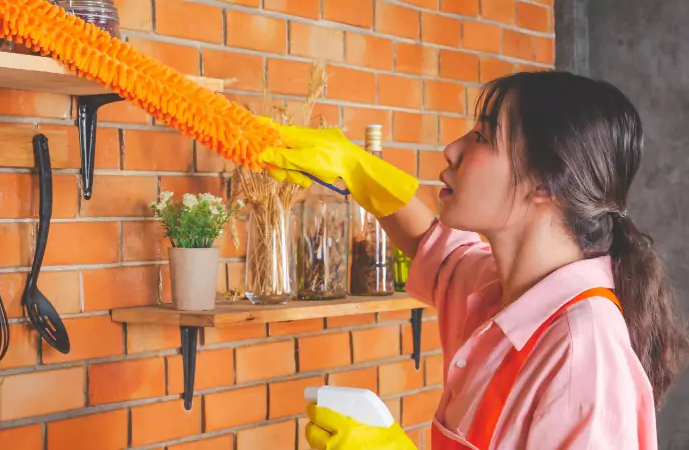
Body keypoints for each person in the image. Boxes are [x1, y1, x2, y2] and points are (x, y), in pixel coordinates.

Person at [258, 71, 689, 449]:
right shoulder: (501, 291)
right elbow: (438, 251)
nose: (452, 149)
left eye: (482, 137)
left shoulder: (583, 358)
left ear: (546, 181)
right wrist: (355, 168)